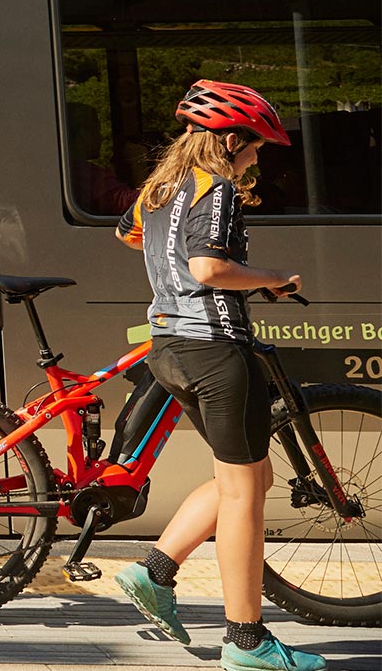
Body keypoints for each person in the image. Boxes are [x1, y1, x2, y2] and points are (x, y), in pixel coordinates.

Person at [112, 80, 320, 671]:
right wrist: (273, 276)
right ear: (230, 141)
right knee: (245, 490)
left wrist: (171, 265)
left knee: (250, 475)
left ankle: (155, 572)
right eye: (254, 148)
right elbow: (208, 268)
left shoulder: (160, 188)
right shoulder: (218, 188)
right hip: (215, 351)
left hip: (168, 350)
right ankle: (247, 640)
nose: (256, 159)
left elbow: (127, 235)